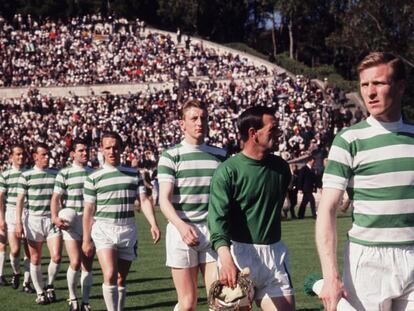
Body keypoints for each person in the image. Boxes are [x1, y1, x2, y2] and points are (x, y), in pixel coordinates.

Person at [316, 52, 414, 311]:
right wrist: (330, 275)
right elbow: (327, 209)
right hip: (368, 259)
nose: (370, 92)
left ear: (401, 86)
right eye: (364, 85)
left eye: (379, 83)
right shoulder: (349, 140)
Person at [208, 106, 295, 311]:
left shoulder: (281, 169)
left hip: (274, 254)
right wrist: (226, 258)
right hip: (237, 256)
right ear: (252, 133)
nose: (278, 133)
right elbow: (217, 219)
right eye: (272, 129)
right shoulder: (227, 171)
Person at [158, 99, 226, 311]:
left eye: (203, 118)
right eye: (194, 118)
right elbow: (164, 200)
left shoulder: (220, 155)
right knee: (187, 303)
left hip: (213, 232)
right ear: (182, 124)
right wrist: (181, 226)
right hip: (181, 232)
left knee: (220, 301)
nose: (199, 123)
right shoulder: (171, 156)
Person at [82, 132, 160, 311]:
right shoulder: (93, 177)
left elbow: (144, 200)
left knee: (120, 279)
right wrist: (86, 239)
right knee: (109, 274)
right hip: (103, 229)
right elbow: (88, 210)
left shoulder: (134, 174)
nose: (112, 151)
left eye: (115, 147)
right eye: (107, 147)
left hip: (128, 229)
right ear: (101, 149)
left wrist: (153, 223)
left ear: (121, 149)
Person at [15, 142, 62, 305]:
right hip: (33, 220)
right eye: (44, 155)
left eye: (48, 154)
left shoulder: (56, 174)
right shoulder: (26, 176)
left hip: (52, 219)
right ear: (35, 157)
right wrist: (18, 223)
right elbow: (19, 200)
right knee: (35, 259)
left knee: (56, 256)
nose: (47, 157)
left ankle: (49, 285)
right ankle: (40, 293)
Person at [51, 139, 94, 311]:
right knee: (75, 261)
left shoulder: (93, 173)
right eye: (81, 150)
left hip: (89, 222)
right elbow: (55, 197)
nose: (85, 153)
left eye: (86, 150)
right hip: (71, 221)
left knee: (87, 264)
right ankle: (72, 298)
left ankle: (85, 301)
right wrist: (55, 217)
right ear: (72, 154)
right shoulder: (64, 173)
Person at [0, 144, 35, 292]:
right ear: (11, 157)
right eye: (18, 154)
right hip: (12, 213)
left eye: (23, 155)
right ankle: (16, 273)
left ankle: (27, 283)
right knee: (14, 250)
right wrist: (1, 218)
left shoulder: (30, 173)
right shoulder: (5, 175)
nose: (21, 157)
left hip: (29, 213)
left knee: (29, 252)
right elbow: (0, 198)